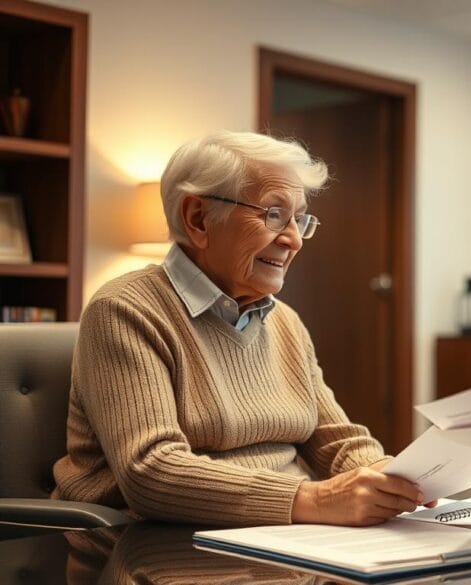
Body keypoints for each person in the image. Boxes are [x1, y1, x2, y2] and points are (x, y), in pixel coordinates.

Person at [53, 131, 424, 526]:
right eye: (274, 215)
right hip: (160, 545)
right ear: (198, 219)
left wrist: (394, 480)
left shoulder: (285, 321)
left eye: (300, 219)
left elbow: (334, 439)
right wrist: (312, 498)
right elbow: (151, 472)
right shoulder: (125, 309)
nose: (294, 240)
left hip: (285, 537)